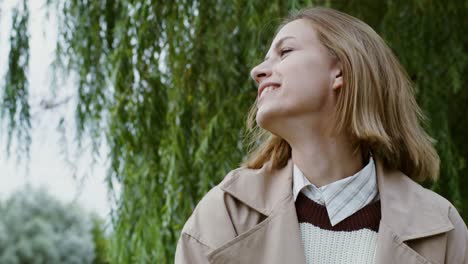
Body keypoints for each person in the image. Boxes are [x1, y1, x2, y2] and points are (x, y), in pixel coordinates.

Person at [175, 6, 467, 264]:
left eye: (285, 52)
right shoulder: (224, 215)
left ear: (340, 70)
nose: (257, 71)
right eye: (265, 58)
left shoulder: (441, 229)